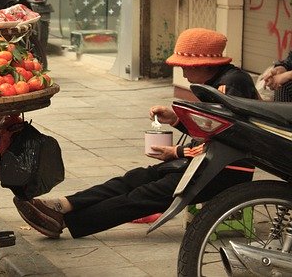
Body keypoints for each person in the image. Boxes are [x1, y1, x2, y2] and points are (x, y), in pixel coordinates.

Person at [13, 28, 259, 239]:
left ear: (203, 64)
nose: (183, 73)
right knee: (134, 178)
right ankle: (62, 205)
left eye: (185, 66)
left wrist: (178, 151)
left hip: (225, 170)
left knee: (143, 196)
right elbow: (209, 129)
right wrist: (175, 120)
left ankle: (65, 221)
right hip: (205, 162)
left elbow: (230, 139)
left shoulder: (231, 85)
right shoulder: (218, 81)